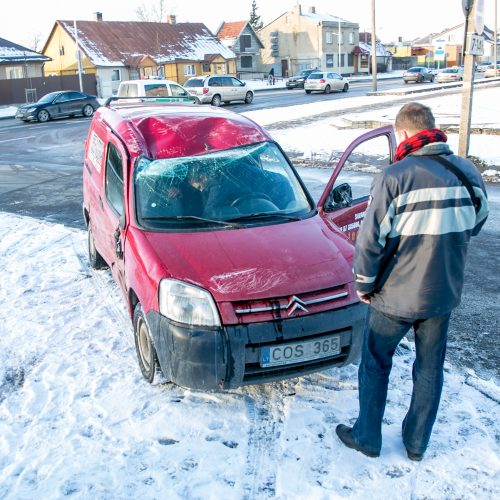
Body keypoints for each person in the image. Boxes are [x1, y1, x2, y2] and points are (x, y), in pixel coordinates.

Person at [335, 102, 489, 461]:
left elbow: (370, 241)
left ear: (404, 134)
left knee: (375, 362)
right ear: (432, 129)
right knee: (429, 368)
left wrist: (364, 284)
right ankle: (417, 443)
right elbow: (478, 222)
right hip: (443, 295)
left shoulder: (395, 177)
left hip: (396, 297)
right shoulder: (467, 172)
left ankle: (367, 437)